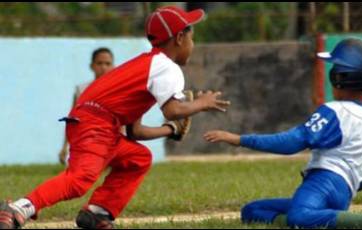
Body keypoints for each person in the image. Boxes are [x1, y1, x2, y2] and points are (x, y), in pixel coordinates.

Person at [0, 6, 230, 229]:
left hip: (97, 124)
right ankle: (19, 208)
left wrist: (170, 130)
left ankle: (97, 213)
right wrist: (202, 104)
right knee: (80, 179)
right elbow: (173, 110)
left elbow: (135, 132)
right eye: (192, 37)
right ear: (179, 38)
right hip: (95, 124)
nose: (193, 44)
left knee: (138, 158)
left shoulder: (145, 66)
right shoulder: (167, 68)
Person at [203, 38, 362, 229]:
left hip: (323, 180)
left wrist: (240, 140)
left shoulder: (336, 111)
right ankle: (330, 221)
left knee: (298, 217)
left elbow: (294, 142)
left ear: (340, 77)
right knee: (252, 211)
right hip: (344, 191)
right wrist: (348, 187)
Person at [58, 47, 115, 164]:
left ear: (113, 66)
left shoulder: (118, 89)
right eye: (99, 63)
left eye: (107, 64)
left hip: (112, 142)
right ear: (92, 66)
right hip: (87, 142)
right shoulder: (82, 90)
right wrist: (65, 146)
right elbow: (72, 120)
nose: (103, 67)